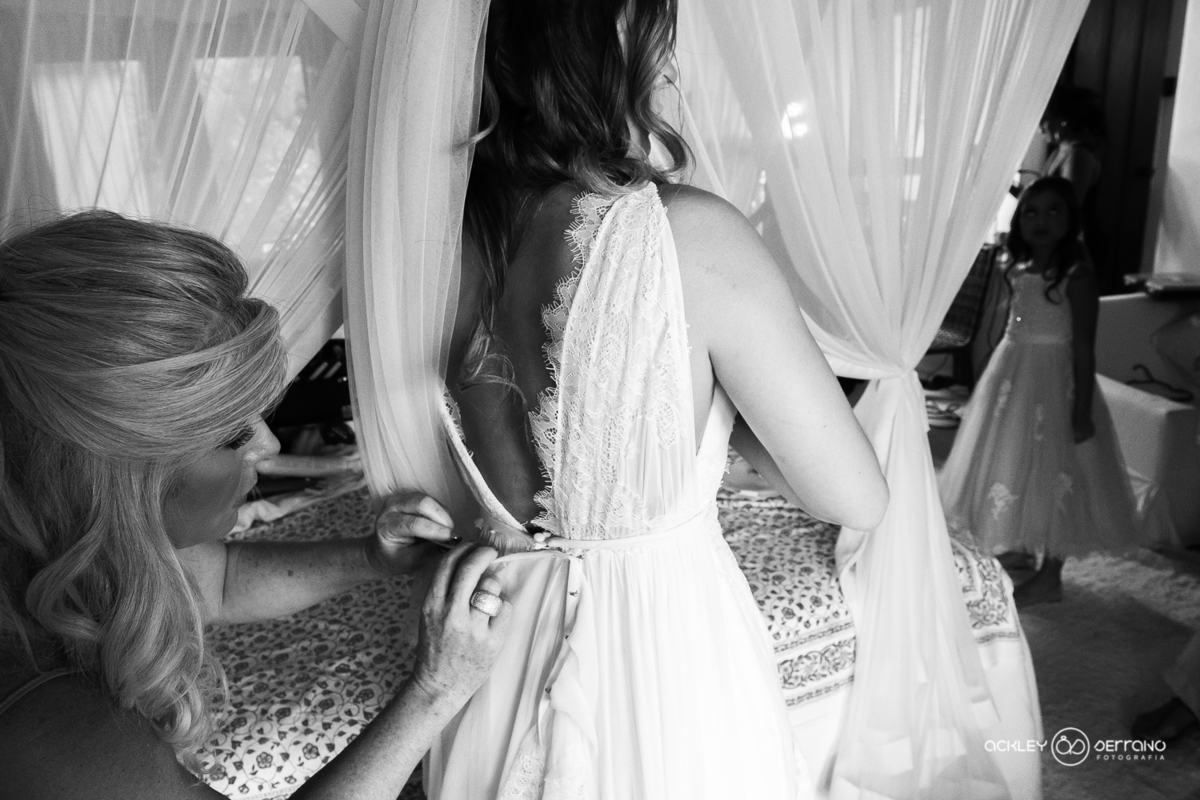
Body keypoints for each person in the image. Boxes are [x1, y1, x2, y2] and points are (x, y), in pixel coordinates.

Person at [425, 0, 889, 797]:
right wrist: (720, 407)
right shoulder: (689, 236)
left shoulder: (429, 246)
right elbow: (855, 496)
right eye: (653, 36)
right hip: (661, 667)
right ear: (602, 50)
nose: (667, 62)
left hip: (489, 658)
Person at [0, 211, 510, 799]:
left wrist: (372, 557)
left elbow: (217, 583)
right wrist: (437, 690)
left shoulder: (55, 538)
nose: (268, 446)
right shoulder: (60, 739)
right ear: (117, 482)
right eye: (232, 435)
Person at [938, 177, 1139, 605]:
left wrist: (1081, 409)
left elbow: (1084, 348)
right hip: (1012, 373)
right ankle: (1024, 541)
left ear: (1070, 220)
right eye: (1030, 212)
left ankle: (1051, 574)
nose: (1040, 220)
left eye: (1053, 211)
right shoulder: (1016, 266)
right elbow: (1010, 328)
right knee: (1014, 458)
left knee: (1059, 470)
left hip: (1054, 379)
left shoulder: (1076, 274)